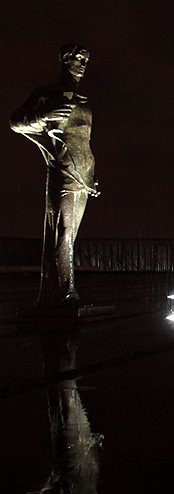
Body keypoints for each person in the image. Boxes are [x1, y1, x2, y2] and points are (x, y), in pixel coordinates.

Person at [11, 44, 100, 308]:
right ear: (64, 60)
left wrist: (92, 175)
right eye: (78, 58)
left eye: (86, 59)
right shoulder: (47, 94)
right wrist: (42, 116)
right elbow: (16, 123)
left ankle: (63, 290)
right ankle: (64, 292)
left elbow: (84, 142)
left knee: (70, 236)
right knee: (62, 231)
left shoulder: (82, 100)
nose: (83, 64)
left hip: (83, 173)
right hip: (63, 170)